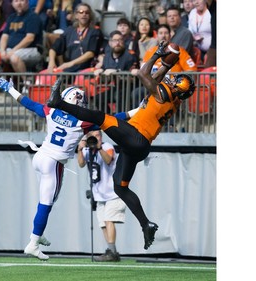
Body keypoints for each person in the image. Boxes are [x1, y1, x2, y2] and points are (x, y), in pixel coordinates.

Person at [46, 41, 196, 250]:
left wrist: (156, 56)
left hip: (135, 136)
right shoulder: (173, 98)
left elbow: (143, 75)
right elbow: (157, 79)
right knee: (120, 186)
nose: (172, 81)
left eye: (176, 81)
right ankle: (146, 224)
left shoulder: (164, 94)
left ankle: (59, 103)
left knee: (100, 117)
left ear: (176, 89)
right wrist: (167, 65)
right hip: (140, 145)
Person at [0, 76, 132, 260]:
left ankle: (37, 233)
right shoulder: (82, 122)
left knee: (47, 200)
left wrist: (10, 89)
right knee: (46, 204)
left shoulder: (51, 111)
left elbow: (28, 103)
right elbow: (114, 119)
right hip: (54, 162)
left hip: (40, 157)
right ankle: (33, 243)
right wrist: (139, 110)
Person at [77, 130, 126, 262]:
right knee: (103, 223)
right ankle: (112, 251)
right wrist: (79, 149)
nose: (96, 138)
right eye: (92, 136)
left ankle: (112, 251)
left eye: (98, 136)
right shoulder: (88, 150)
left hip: (113, 192)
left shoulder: (107, 146)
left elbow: (109, 160)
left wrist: (98, 148)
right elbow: (81, 164)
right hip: (99, 194)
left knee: (109, 219)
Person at [132, 23, 197, 110]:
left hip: (172, 87)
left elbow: (191, 70)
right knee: (136, 93)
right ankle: (139, 114)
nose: (163, 35)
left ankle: (170, 123)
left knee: (168, 97)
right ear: (157, 36)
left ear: (170, 35)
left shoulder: (179, 51)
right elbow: (143, 71)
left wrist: (178, 79)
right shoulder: (150, 51)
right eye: (161, 33)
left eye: (166, 33)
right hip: (153, 85)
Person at [46, 2, 104, 73]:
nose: (84, 14)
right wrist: (51, 62)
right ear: (76, 15)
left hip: (88, 69)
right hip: (70, 70)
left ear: (90, 16)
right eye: (81, 12)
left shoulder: (95, 31)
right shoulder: (69, 31)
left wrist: (70, 63)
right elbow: (54, 48)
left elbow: (90, 53)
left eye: (87, 12)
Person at [0, 0, 43, 93]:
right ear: (12, 4)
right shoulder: (11, 17)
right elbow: (4, 37)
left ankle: (27, 84)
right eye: (16, 1)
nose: (19, 3)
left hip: (32, 49)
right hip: (11, 50)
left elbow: (29, 38)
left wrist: (12, 51)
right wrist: (2, 51)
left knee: (14, 57)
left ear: (27, 2)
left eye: (22, 0)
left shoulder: (33, 16)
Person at [93, 30, 139, 114]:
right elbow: (106, 81)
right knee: (98, 98)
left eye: (120, 40)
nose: (117, 43)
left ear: (123, 41)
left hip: (130, 87)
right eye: (114, 40)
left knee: (119, 95)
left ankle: (121, 122)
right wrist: (101, 72)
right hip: (116, 87)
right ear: (110, 43)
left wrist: (117, 71)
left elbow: (132, 78)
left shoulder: (130, 55)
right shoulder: (107, 56)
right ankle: (109, 119)